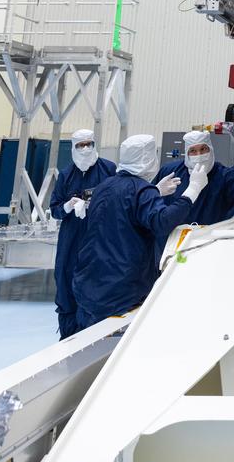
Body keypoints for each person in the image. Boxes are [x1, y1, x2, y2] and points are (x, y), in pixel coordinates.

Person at [72, 133, 208, 330]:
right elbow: (162, 222)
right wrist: (193, 189)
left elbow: (125, 208)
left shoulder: (105, 186)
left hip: (90, 282)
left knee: (88, 337)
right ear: (148, 158)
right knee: (116, 340)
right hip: (121, 289)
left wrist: (154, 191)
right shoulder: (142, 190)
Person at [49, 129, 115, 339]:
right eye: (81, 145)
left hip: (100, 237)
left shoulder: (109, 169)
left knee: (97, 281)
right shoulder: (66, 175)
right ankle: (69, 337)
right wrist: (68, 206)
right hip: (71, 240)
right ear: (73, 147)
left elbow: (119, 200)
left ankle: (96, 336)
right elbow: (55, 209)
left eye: (89, 144)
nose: (85, 149)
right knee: (66, 280)